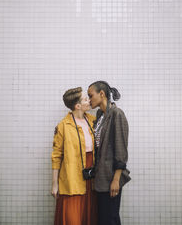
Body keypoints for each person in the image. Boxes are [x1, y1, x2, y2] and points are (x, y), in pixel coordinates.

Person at [51, 87, 97, 225]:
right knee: (73, 217)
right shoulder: (63, 126)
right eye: (85, 99)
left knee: (89, 214)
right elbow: (56, 156)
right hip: (72, 176)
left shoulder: (93, 120)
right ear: (77, 106)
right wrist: (54, 184)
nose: (89, 101)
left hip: (91, 175)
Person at [88, 81, 131, 225]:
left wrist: (116, 180)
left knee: (110, 219)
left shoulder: (117, 114)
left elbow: (121, 149)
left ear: (102, 94)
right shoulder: (100, 115)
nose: (89, 100)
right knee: (104, 219)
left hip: (111, 177)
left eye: (91, 95)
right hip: (101, 177)